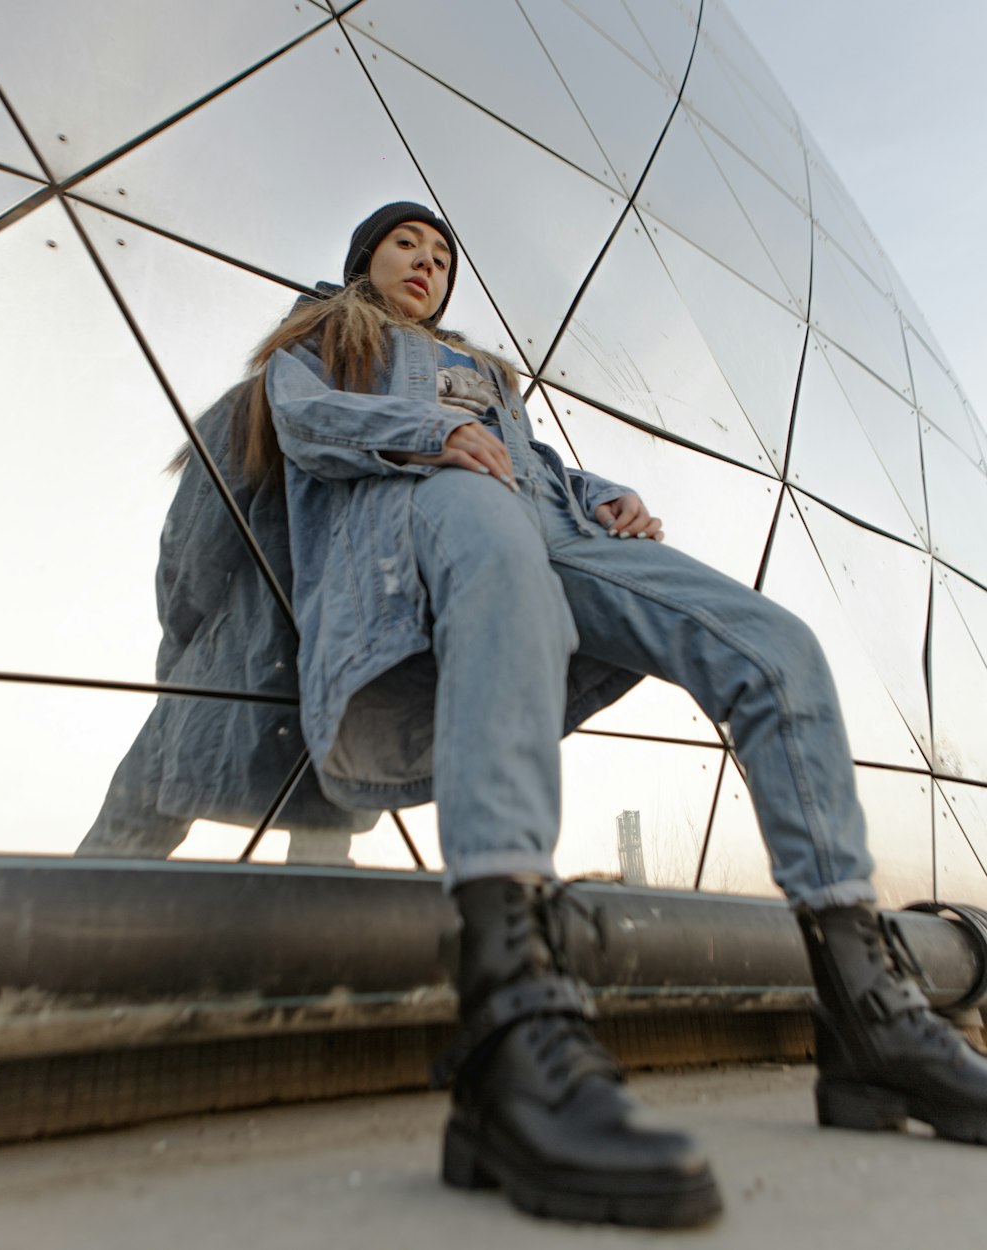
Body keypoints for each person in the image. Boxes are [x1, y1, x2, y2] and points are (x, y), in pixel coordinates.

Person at [104, 201, 987, 1227]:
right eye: (407, 247)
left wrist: (607, 496)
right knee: (495, 543)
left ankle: (864, 1008)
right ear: (363, 260)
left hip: (547, 530)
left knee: (771, 645)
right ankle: (510, 1020)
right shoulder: (328, 336)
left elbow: (541, 468)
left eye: (440, 255)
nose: (427, 265)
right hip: (417, 502)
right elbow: (304, 423)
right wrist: (438, 428)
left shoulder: (483, 370)